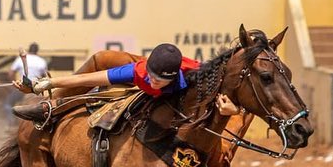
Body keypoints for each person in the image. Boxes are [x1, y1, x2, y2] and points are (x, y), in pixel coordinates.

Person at [16, 43, 237, 111]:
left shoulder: (196, 76)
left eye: (160, 79)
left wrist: (232, 110)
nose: (153, 81)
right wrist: (50, 83)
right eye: (151, 75)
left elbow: (233, 90)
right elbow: (90, 79)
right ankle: (50, 110)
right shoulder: (138, 71)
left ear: (175, 76)